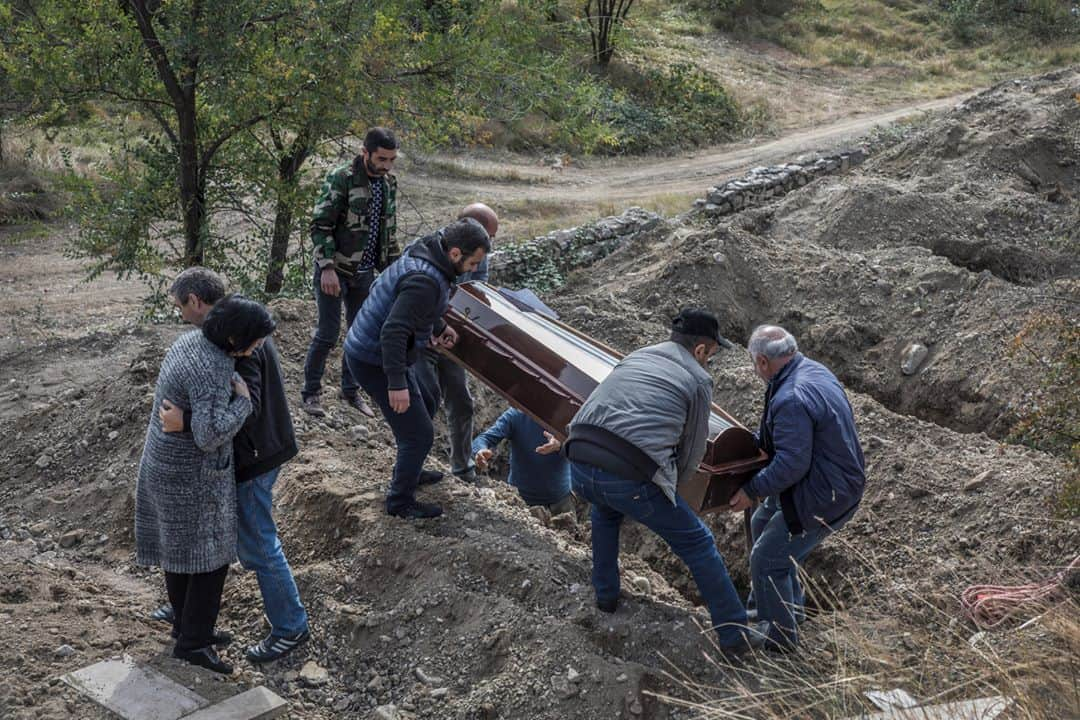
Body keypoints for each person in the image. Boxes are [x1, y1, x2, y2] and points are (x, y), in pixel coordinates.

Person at [563, 309, 761, 656]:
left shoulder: (637, 356)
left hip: (578, 458)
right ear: (701, 350)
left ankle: (606, 595)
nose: (710, 361)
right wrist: (677, 491)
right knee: (699, 543)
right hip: (626, 473)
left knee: (605, 512)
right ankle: (734, 636)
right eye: (712, 353)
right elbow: (693, 448)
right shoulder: (698, 379)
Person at [154, 267, 311, 664]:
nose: (180, 315)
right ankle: (188, 615)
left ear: (196, 302)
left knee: (258, 546)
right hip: (258, 452)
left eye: (180, 306)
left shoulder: (243, 343)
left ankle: (290, 627)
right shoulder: (235, 327)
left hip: (256, 459)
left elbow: (249, 407)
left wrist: (185, 422)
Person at [135, 294, 275, 674]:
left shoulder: (189, 341)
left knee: (180, 553)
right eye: (257, 341)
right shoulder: (213, 367)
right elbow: (209, 435)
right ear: (236, 338)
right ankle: (194, 643)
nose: (261, 347)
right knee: (210, 560)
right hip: (192, 476)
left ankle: (186, 627)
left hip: (163, 466)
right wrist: (242, 404)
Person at [727, 325, 865, 651]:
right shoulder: (811, 371)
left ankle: (780, 643)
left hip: (823, 493)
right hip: (829, 479)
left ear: (762, 361)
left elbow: (792, 464)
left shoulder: (789, 397)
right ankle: (780, 611)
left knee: (766, 560)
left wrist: (752, 489)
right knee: (761, 523)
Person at [343, 218, 491, 519]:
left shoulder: (428, 251)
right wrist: (396, 384)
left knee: (427, 399)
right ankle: (400, 502)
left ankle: (410, 469)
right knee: (419, 434)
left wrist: (437, 325)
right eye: (473, 262)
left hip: (382, 350)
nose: (474, 270)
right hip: (375, 359)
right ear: (455, 254)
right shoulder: (426, 279)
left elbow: (411, 307)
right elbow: (393, 332)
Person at [301, 127, 401, 419]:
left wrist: (396, 273)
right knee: (328, 333)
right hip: (336, 270)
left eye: (392, 159)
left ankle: (350, 390)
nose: (386, 165)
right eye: (382, 158)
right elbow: (320, 226)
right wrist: (327, 268)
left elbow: (389, 233)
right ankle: (311, 393)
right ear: (365, 152)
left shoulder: (388, 184)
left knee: (360, 334)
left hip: (366, 273)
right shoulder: (341, 178)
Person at [413, 203, 499, 483]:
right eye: (485, 237)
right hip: (422, 336)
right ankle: (412, 466)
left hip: (451, 339)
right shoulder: (428, 249)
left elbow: (477, 292)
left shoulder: (479, 251)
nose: (485, 248)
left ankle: (462, 468)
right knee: (425, 399)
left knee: (461, 401)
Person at [472, 408, 572, 515]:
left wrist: (560, 446)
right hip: (520, 501)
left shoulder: (567, 418)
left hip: (561, 502)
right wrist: (480, 450)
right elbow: (484, 438)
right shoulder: (516, 415)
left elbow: (582, 451)